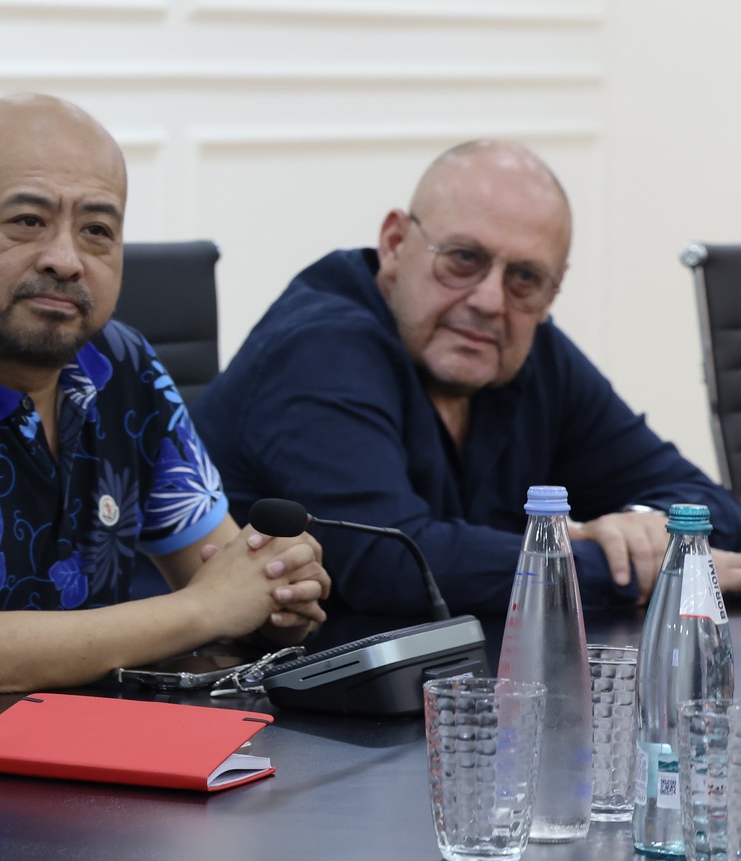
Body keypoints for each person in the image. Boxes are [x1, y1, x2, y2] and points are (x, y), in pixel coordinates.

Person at [0, 95, 328, 694]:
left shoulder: (122, 364)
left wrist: (277, 593)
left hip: (101, 736)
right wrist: (207, 609)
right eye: (28, 221)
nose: (66, 260)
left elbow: (233, 571)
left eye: (96, 230)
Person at [198, 140, 741, 618]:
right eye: (463, 258)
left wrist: (642, 527)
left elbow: (708, 503)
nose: (489, 301)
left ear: (552, 291)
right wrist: (621, 567)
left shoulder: (528, 349)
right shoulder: (320, 347)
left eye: (525, 277)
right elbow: (394, 564)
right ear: (395, 244)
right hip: (244, 688)